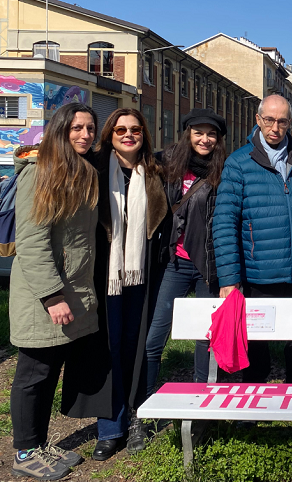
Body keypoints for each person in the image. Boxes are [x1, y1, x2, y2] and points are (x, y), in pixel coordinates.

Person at [9, 103, 110, 480]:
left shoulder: (80, 170)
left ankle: (37, 443)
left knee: (49, 371)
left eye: (90, 128)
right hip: (43, 295)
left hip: (70, 290)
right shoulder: (41, 172)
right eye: (76, 128)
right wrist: (52, 296)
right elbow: (32, 241)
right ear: (60, 131)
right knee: (34, 374)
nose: (85, 135)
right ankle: (24, 453)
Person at [213, 94, 292, 384]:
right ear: (258, 120)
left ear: (290, 123)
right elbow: (224, 222)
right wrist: (229, 279)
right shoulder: (239, 163)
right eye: (269, 120)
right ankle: (253, 403)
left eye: (282, 121)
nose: (275, 128)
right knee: (257, 355)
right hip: (258, 274)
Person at [92, 108, 167, 460]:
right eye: (120, 129)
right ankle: (110, 428)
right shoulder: (93, 169)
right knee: (110, 347)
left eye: (135, 129)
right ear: (110, 135)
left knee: (136, 347)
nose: (128, 135)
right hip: (103, 275)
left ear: (143, 134)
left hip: (142, 273)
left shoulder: (155, 171)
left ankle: (138, 416)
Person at [145, 109, 225, 402]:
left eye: (211, 134)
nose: (205, 139)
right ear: (187, 134)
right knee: (155, 336)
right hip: (174, 263)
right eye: (198, 133)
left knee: (205, 338)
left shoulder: (224, 170)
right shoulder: (166, 164)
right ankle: (144, 401)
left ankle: (202, 400)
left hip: (208, 266)